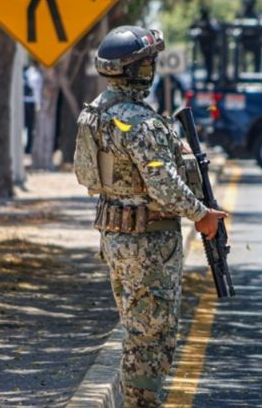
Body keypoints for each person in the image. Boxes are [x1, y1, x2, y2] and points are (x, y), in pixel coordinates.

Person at [73, 26, 228, 407]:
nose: (152, 69)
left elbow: (87, 176)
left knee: (137, 328)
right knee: (152, 336)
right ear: (134, 70)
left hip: (117, 237)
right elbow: (163, 184)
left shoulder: (96, 113)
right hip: (148, 244)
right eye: (147, 63)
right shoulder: (138, 121)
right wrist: (201, 214)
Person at [189, 5, 221, 82]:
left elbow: (216, 31)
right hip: (203, 46)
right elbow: (191, 28)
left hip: (211, 46)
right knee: (207, 62)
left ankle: (211, 76)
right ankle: (208, 76)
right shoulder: (198, 21)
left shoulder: (211, 21)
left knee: (211, 62)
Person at [235, 0, 262, 72]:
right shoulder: (240, 14)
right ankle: (240, 71)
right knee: (238, 51)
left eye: (250, 2)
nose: (249, 4)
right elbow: (235, 27)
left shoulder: (258, 15)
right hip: (243, 41)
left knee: (258, 53)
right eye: (247, 1)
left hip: (255, 41)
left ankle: (257, 72)